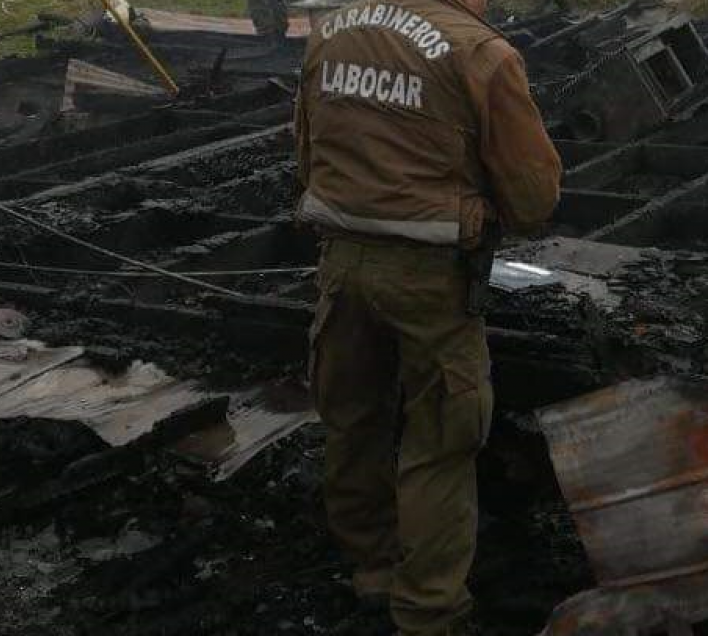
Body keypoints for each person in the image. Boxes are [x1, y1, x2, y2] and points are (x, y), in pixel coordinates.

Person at [292, 0, 562, 634]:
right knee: (441, 439)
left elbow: (306, 151)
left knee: (352, 417)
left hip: (341, 261)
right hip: (430, 277)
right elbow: (533, 199)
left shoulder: (329, 31)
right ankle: (428, 608)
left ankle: (370, 567)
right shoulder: (482, 52)